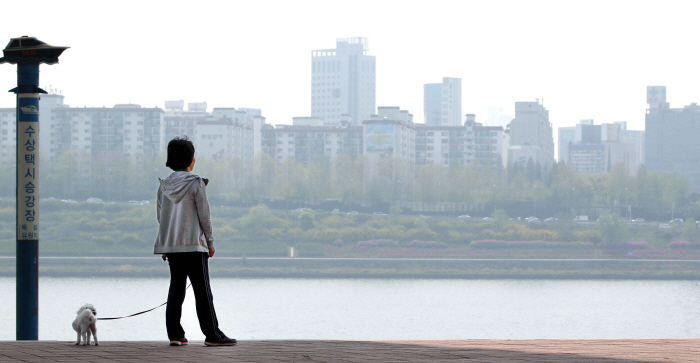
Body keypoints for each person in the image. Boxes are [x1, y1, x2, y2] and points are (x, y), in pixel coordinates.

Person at [154, 136, 236, 347]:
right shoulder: (196, 183)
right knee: (202, 291)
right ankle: (212, 335)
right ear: (191, 159)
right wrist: (210, 241)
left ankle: (175, 334)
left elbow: (161, 217)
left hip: (171, 245)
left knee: (176, 289)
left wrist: (165, 244)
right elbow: (204, 216)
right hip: (193, 244)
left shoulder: (163, 186)